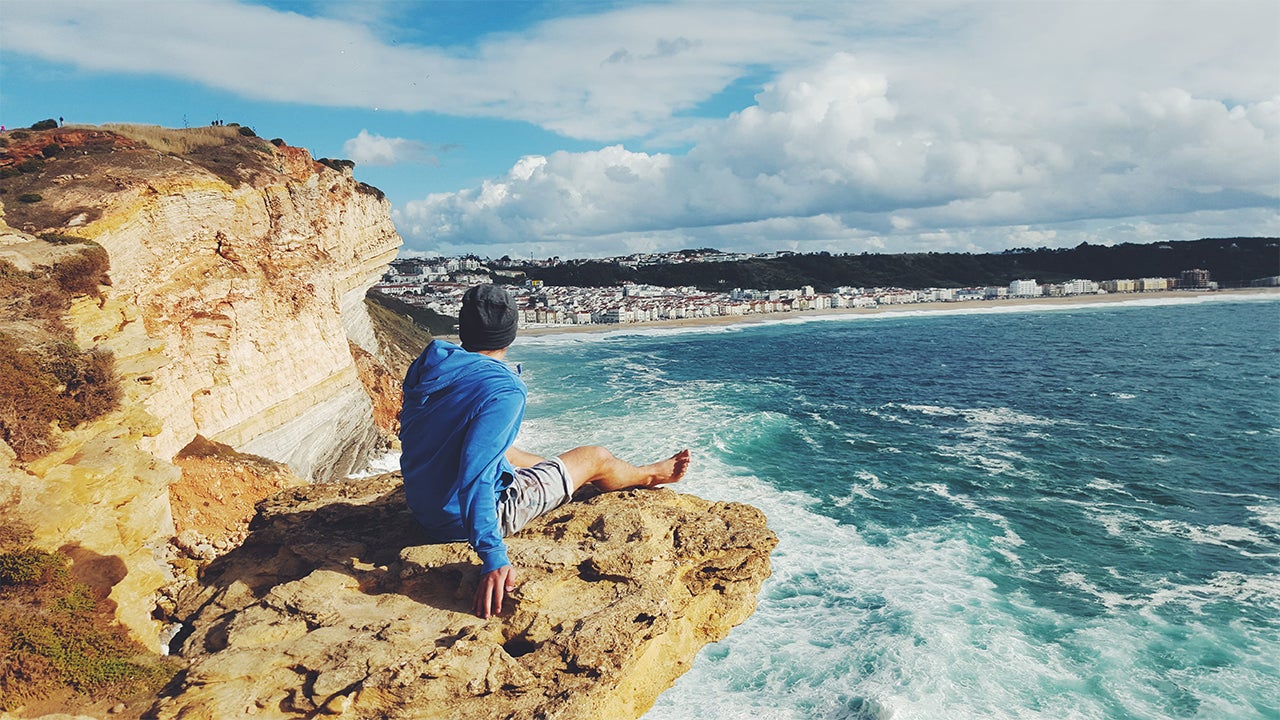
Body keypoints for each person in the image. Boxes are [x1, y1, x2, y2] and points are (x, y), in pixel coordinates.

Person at [399, 284, 690, 618]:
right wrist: (493, 556)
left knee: (507, 451)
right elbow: (475, 477)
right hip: (461, 521)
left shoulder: (432, 362)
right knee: (595, 457)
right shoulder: (503, 389)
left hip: (425, 506)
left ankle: (561, 475)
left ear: (463, 327)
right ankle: (649, 475)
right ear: (510, 332)